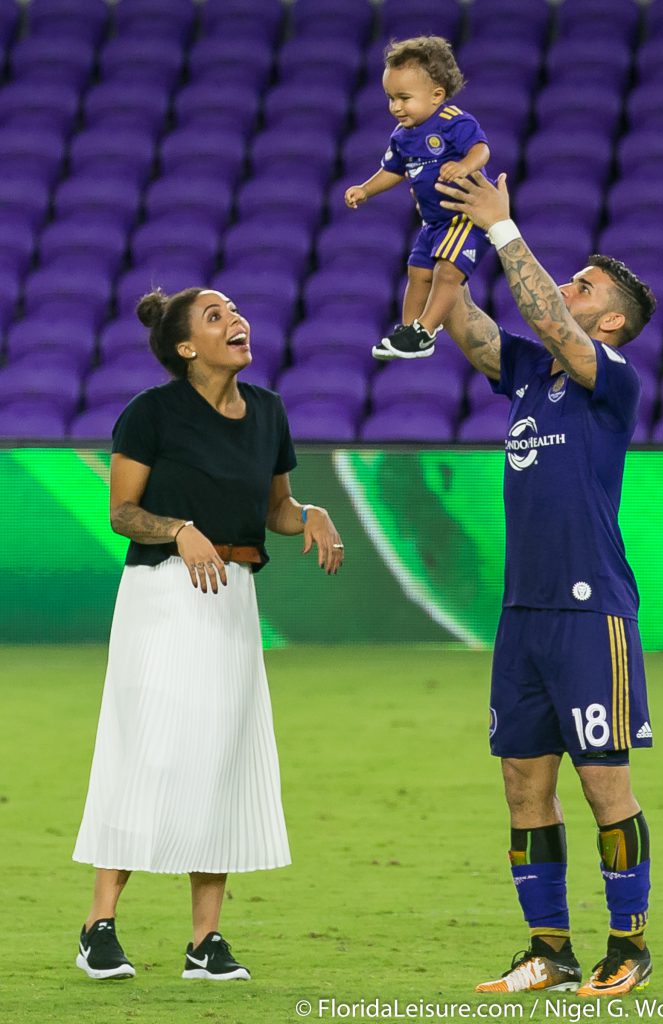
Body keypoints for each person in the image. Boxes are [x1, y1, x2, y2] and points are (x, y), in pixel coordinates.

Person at [72, 287, 344, 982]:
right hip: (161, 597)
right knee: (149, 751)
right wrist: (180, 530)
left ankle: (205, 942)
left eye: (236, 312)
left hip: (231, 599)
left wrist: (308, 512)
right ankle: (98, 926)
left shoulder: (269, 413)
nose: (238, 321)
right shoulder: (151, 414)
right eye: (216, 316)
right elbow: (123, 513)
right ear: (186, 347)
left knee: (221, 755)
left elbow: (274, 508)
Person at [435, 171, 657, 998]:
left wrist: (500, 229)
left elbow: (547, 319)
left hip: (586, 610)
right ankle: (549, 950)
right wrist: (436, 241)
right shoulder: (533, 376)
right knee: (522, 786)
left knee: (604, 784)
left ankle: (627, 947)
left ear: (608, 322)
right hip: (521, 614)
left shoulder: (612, 379)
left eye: (584, 287)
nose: (568, 287)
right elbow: (462, 322)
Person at [344, 36, 491, 361]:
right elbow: (393, 171)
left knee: (447, 271)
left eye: (404, 98)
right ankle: (410, 331)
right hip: (434, 223)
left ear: (436, 95)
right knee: (418, 272)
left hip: (465, 216)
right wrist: (366, 189)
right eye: (390, 98)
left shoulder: (454, 121)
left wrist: (463, 165)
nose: (395, 107)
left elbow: (482, 150)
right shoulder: (401, 137)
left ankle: (425, 329)